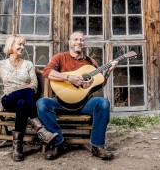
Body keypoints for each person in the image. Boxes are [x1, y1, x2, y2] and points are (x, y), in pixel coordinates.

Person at [0, 35, 57, 161]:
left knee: (23, 102)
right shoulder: (1, 64)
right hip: (9, 99)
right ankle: (39, 128)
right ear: (11, 46)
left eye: (23, 45)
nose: (22, 47)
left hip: (25, 100)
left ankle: (17, 147)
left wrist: (22, 89)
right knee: (27, 91)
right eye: (19, 44)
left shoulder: (28, 64)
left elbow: (34, 86)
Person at [36, 31, 117, 161]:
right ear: (70, 42)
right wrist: (69, 78)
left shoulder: (91, 62)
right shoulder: (60, 57)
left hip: (84, 104)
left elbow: (99, 83)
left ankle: (97, 146)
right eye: (76, 39)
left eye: (81, 40)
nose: (79, 42)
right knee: (42, 103)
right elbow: (47, 72)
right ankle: (58, 143)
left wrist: (108, 72)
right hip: (61, 102)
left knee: (103, 103)